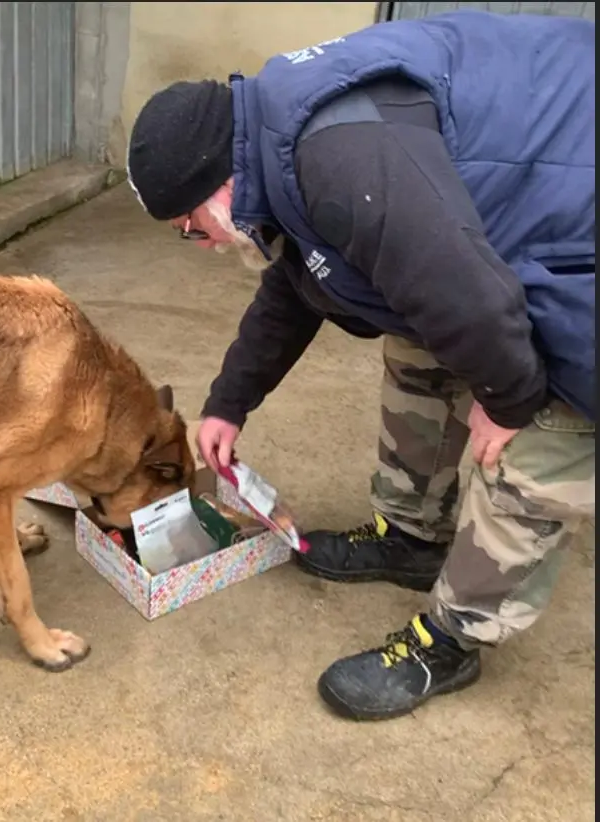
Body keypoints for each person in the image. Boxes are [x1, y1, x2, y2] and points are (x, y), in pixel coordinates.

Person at [126, 9, 595, 721]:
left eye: (187, 228)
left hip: (573, 209)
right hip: (506, 202)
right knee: (417, 337)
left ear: (214, 185)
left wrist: (506, 399)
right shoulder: (273, 149)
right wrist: (228, 402)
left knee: (538, 432)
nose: (195, 242)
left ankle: (453, 639)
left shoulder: (338, 161)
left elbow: (466, 293)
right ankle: (412, 537)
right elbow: (294, 283)